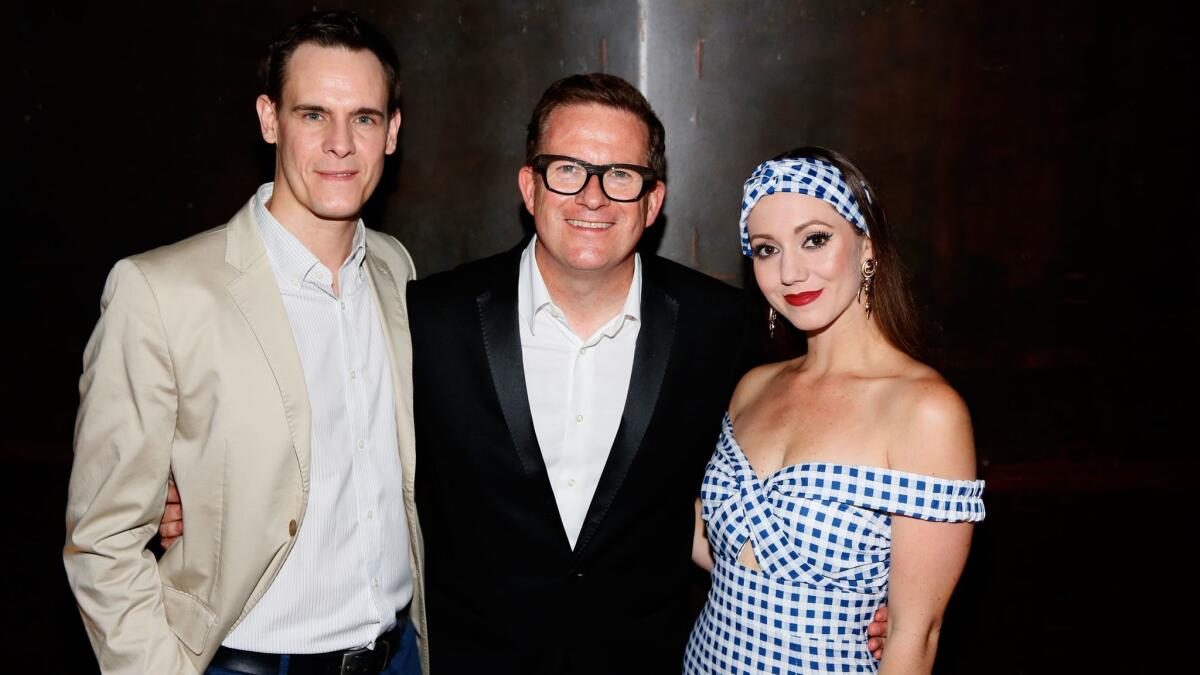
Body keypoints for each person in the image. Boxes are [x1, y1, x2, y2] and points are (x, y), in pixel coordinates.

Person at [64, 11, 427, 675]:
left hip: (396, 657)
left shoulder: (395, 272)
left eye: (365, 118)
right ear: (269, 119)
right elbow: (103, 538)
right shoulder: (161, 291)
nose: (341, 143)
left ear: (393, 131)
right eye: (314, 114)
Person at [405, 73, 753, 673]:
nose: (592, 197)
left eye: (620, 175)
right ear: (529, 187)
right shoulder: (434, 317)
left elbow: (778, 481)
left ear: (652, 202)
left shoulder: (720, 328)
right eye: (567, 168)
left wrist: (846, 602)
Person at [685, 147, 985, 674]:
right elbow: (721, 551)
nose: (790, 271)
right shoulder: (752, 387)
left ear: (866, 246)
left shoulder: (926, 412)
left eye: (815, 239)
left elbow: (915, 639)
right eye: (765, 249)